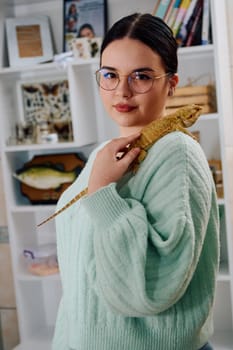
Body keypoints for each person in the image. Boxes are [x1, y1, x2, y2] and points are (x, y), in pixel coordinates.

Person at [52, 13, 219, 350]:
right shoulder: (104, 154)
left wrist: (101, 193)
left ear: (171, 85)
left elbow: (151, 289)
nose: (122, 91)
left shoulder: (177, 151)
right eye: (110, 75)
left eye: (141, 76)